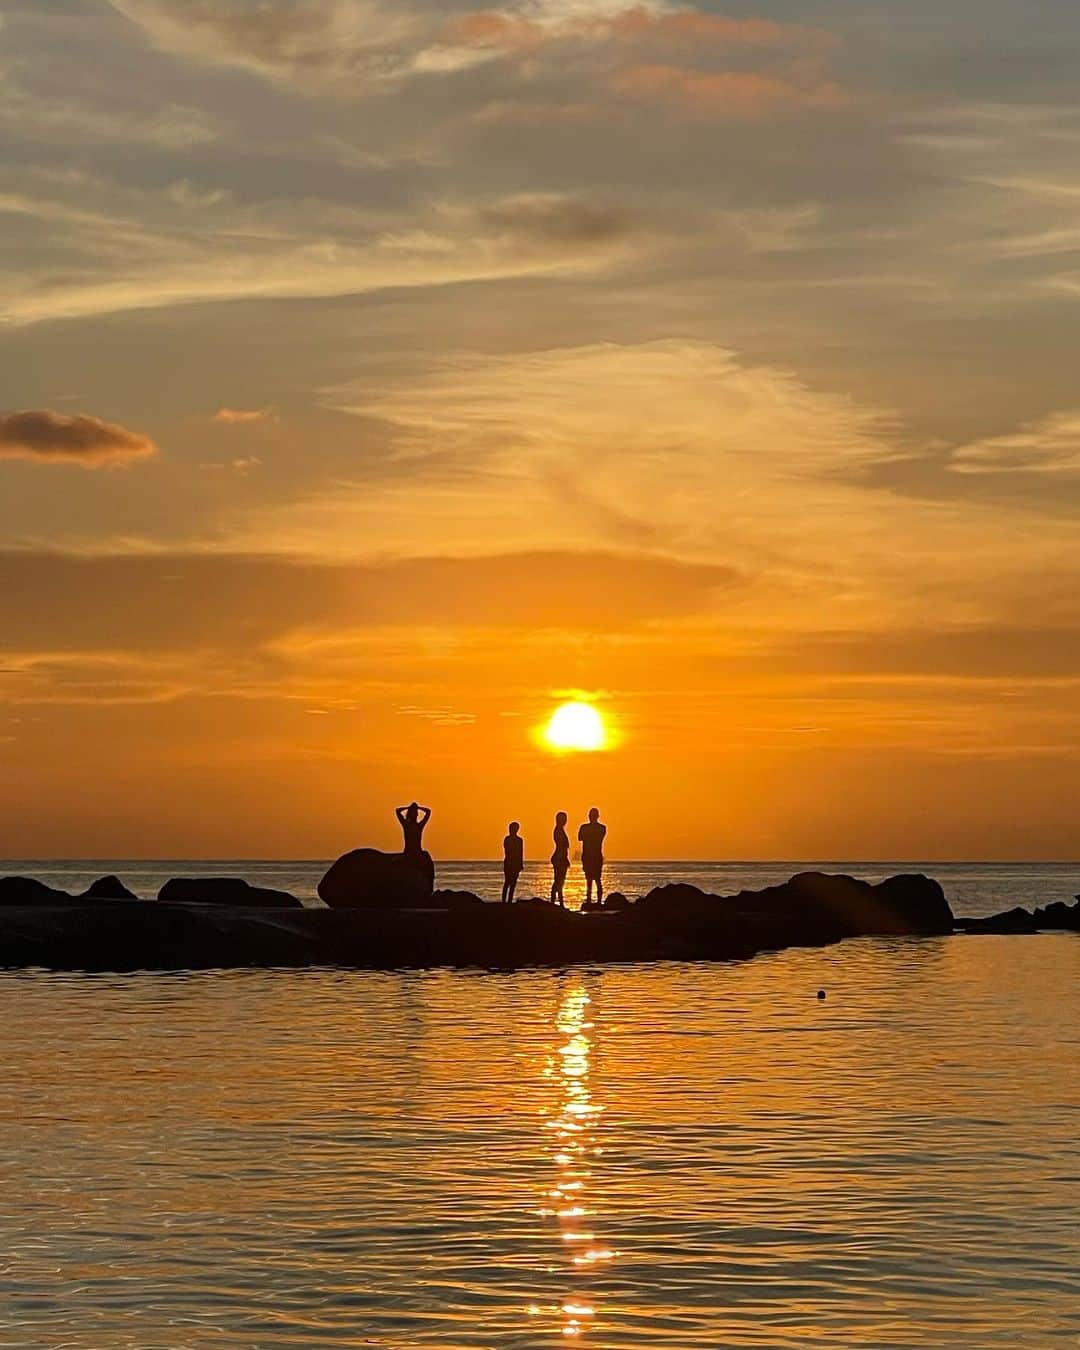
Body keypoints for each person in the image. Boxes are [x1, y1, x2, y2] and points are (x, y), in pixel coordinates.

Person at [578, 807, 607, 905]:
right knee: (589, 880)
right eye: (591, 816)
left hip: (596, 856)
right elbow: (580, 837)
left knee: (597, 879)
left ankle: (598, 901)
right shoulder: (584, 827)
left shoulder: (601, 828)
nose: (591, 817)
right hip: (587, 857)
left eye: (593, 816)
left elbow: (597, 837)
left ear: (597, 816)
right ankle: (589, 900)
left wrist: (589, 834)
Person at [550, 811, 570, 907]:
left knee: (560, 881)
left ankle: (559, 902)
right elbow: (562, 847)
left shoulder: (560, 830)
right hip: (559, 858)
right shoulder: (558, 830)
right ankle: (554, 901)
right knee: (559, 880)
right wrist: (564, 858)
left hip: (560, 857)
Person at [502, 821, 523, 904]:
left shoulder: (519, 840)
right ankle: (504, 901)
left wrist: (520, 863)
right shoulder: (507, 839)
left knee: (513, 883)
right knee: (507, 882)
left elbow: (521, 852)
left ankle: (509, 900)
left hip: (515, 864)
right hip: (509, 863)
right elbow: (507, 851)